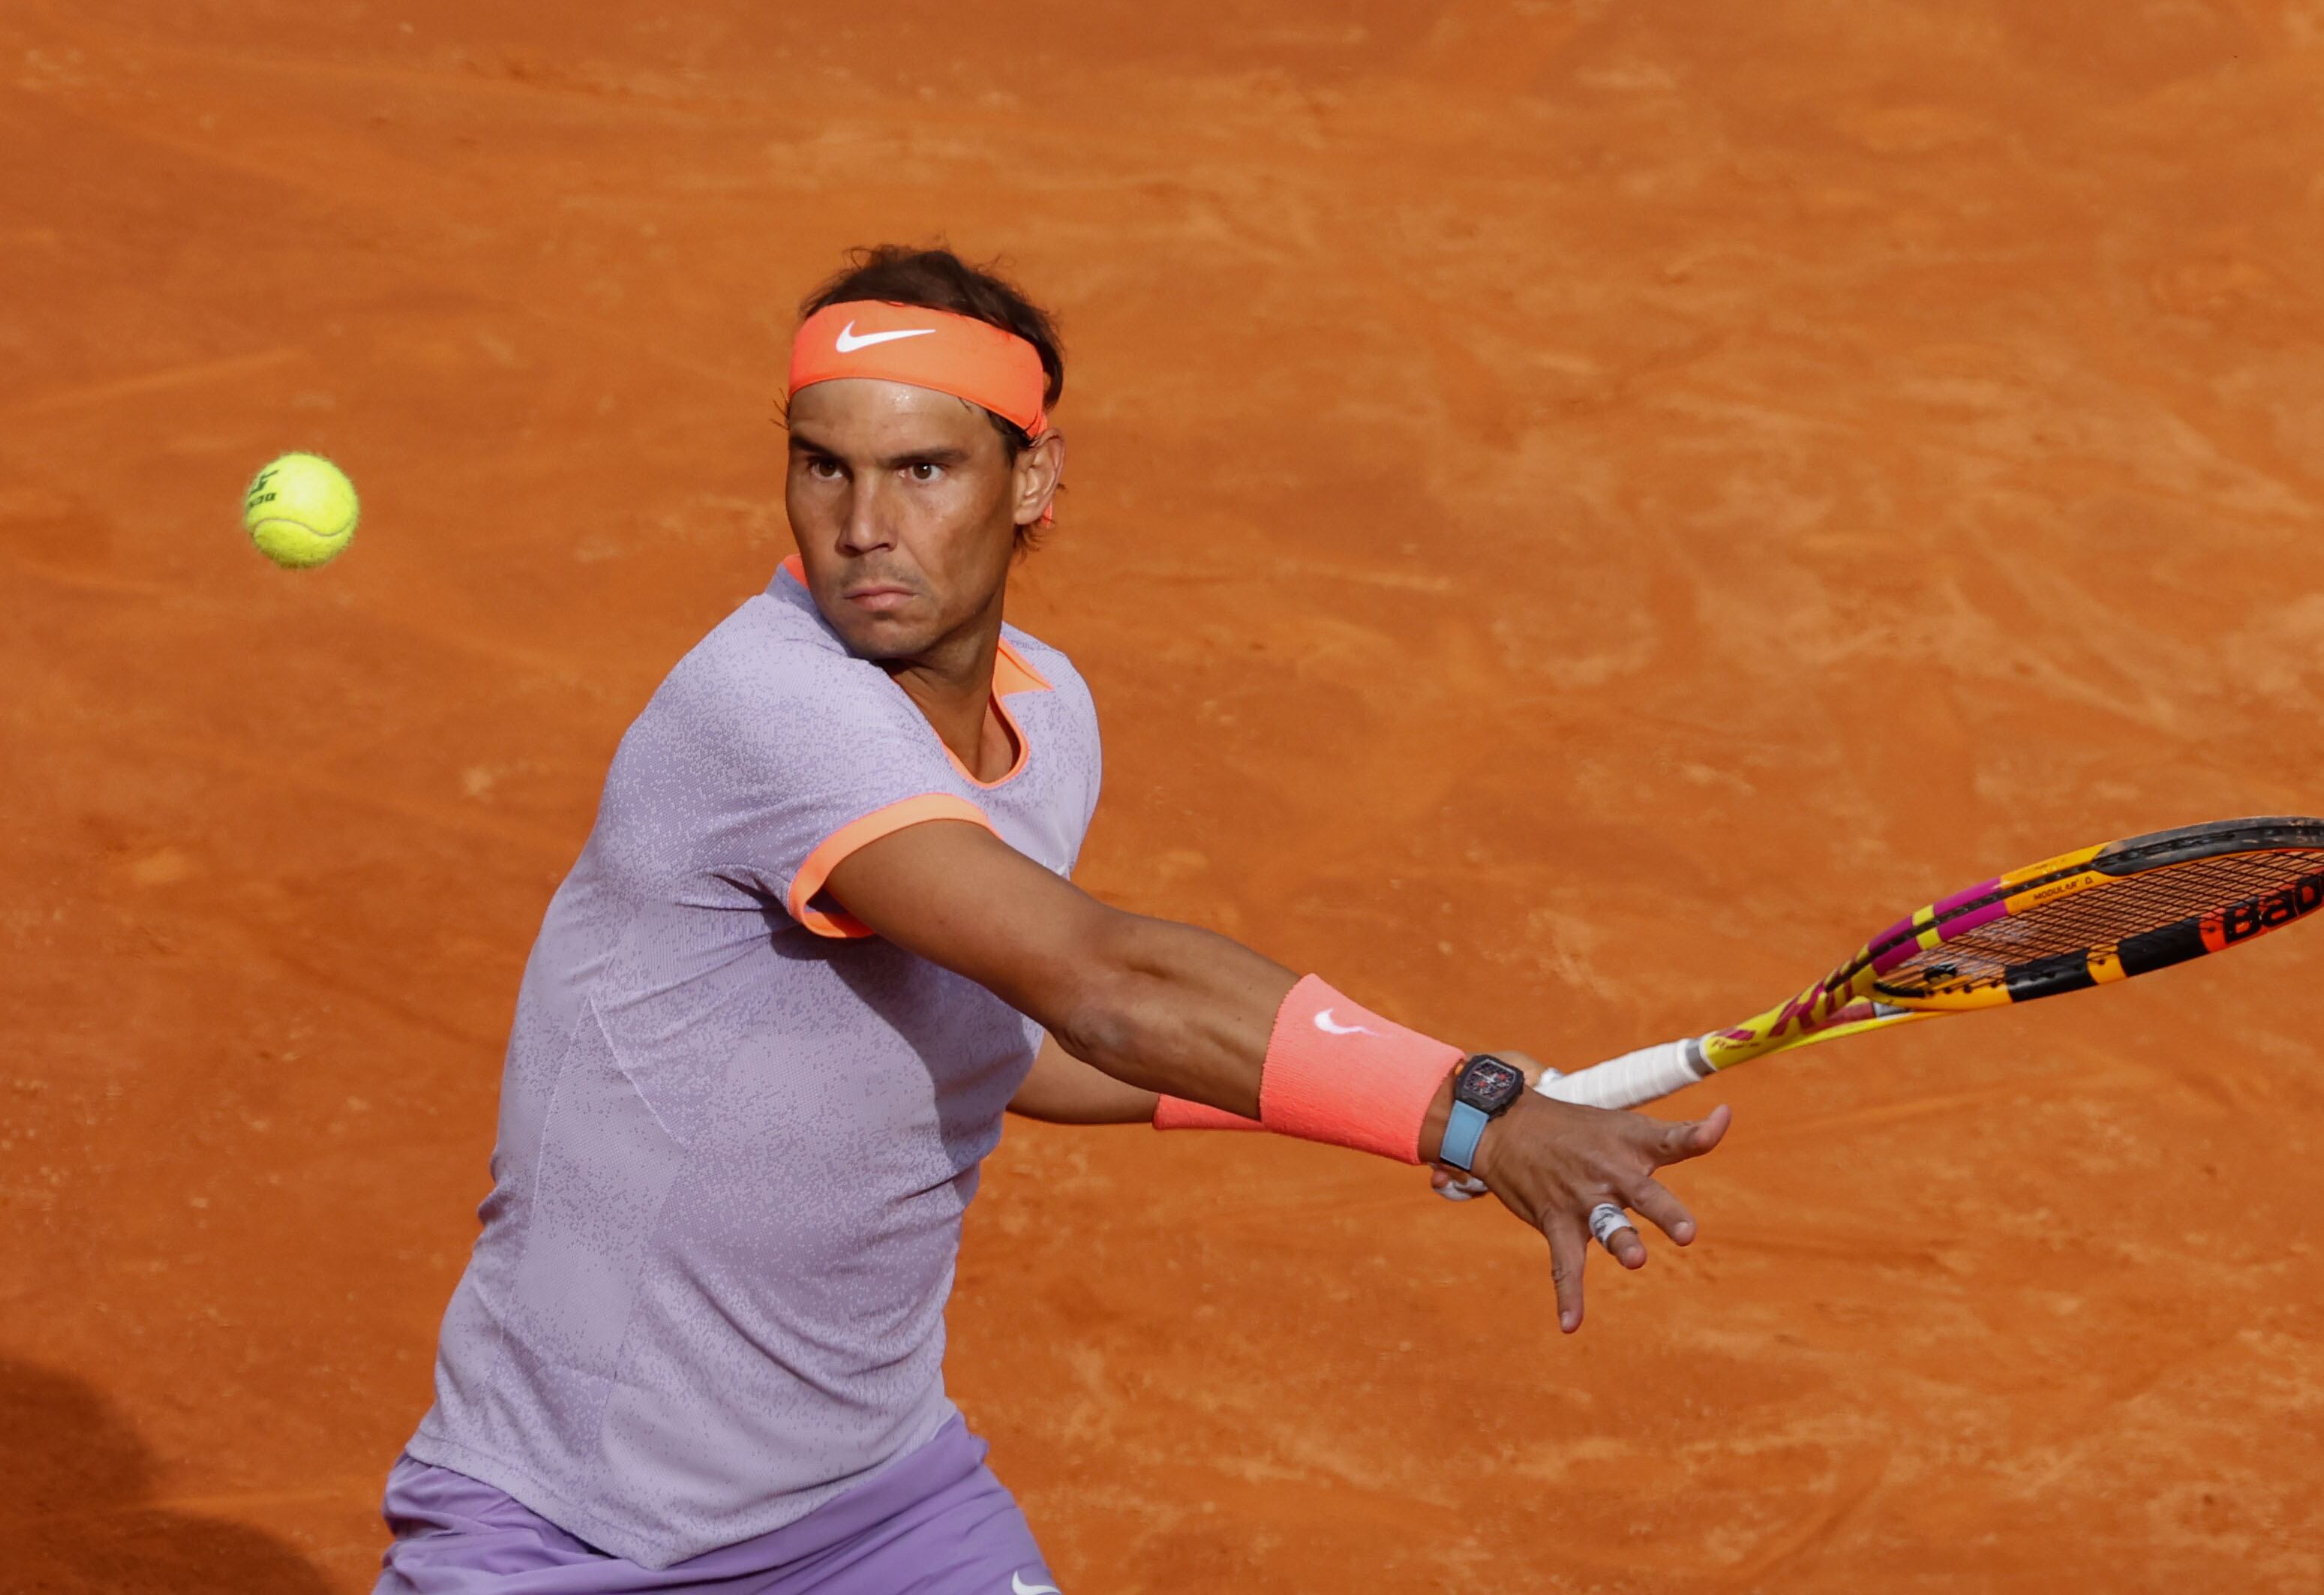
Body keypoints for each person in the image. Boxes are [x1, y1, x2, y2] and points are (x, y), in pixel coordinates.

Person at [374, 246, 1730, 1594]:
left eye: (923, 469)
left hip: (879, 1505)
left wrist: (1417, 1091)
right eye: (823, 466)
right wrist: (1472, 1113)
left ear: (1031, 479)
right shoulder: (769, 708)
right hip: (578, 1525)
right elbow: (1103, 987)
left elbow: (1018, 1041)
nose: (863, 525)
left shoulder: (1047, 718)